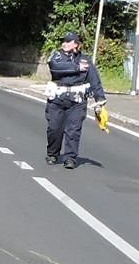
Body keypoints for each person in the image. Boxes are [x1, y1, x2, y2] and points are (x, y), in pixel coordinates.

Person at [43, 32, 105, 168]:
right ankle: (53, 154)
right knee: (54, 128)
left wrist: (100, 98)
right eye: (64, 41)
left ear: (76, 44)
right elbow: (55, 67)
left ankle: (70, 158)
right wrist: (76, 68)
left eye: (68, 41)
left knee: (73, 130)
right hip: (57, 99)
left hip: (77, 101)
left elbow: (94, 79)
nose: (64, 43)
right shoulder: (56, 56)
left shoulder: (85, 60)